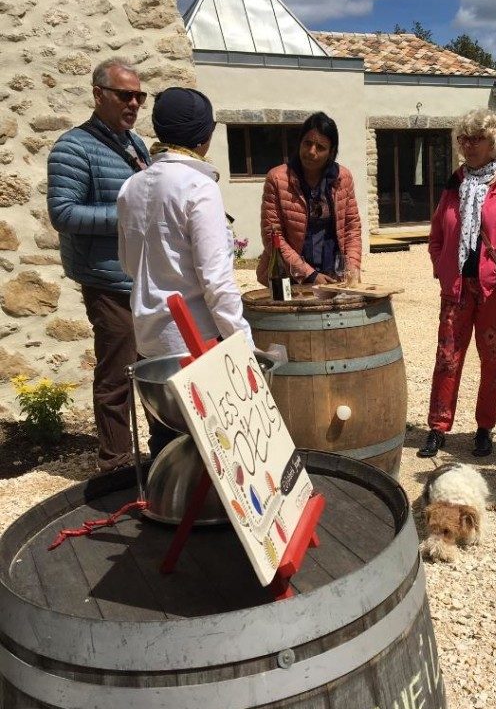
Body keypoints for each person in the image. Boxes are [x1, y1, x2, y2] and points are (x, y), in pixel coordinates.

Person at [116, 87, 254, 457]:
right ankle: (207, 515)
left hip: (149, 337)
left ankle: (167, 508)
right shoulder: (198, 187)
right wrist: (244, 345)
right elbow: (216, 281)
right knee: (214, 444)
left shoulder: (130, 187)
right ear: (206, 137)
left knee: (165, 437)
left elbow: (129, 265)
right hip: (195, 342)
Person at [417, 109, 496, 459]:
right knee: (447, 357)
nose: (469, 145)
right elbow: (437, 235)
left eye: (477, 138)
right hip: (456, 288)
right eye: (464, 138)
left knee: (492, 360)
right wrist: (441, 266)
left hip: (492, 289)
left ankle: (485, 428)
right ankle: (437, 428)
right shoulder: (454, 185)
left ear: (494, 142)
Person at [47, 58, 150, 472]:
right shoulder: (71, 147)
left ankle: (152, 453)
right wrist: (129, 215)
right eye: (125, 95)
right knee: (117, 374)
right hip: (106, 279)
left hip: (138, 276)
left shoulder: (136, 143)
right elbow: (64, 214)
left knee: (149, 368)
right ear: (98, 94)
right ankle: (116, 463)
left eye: (139, 96)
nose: (134, 104)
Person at [256, 112, 362, 287]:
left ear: (331, 152)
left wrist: (351, 267)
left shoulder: (343, 178)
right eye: (307, 143)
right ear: (299, 143)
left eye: (320, 147)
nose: (311, 152)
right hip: (289, 277)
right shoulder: (277, 178)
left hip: (334, 276)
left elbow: (352, 227)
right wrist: (309, 274)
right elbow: (272, 236)